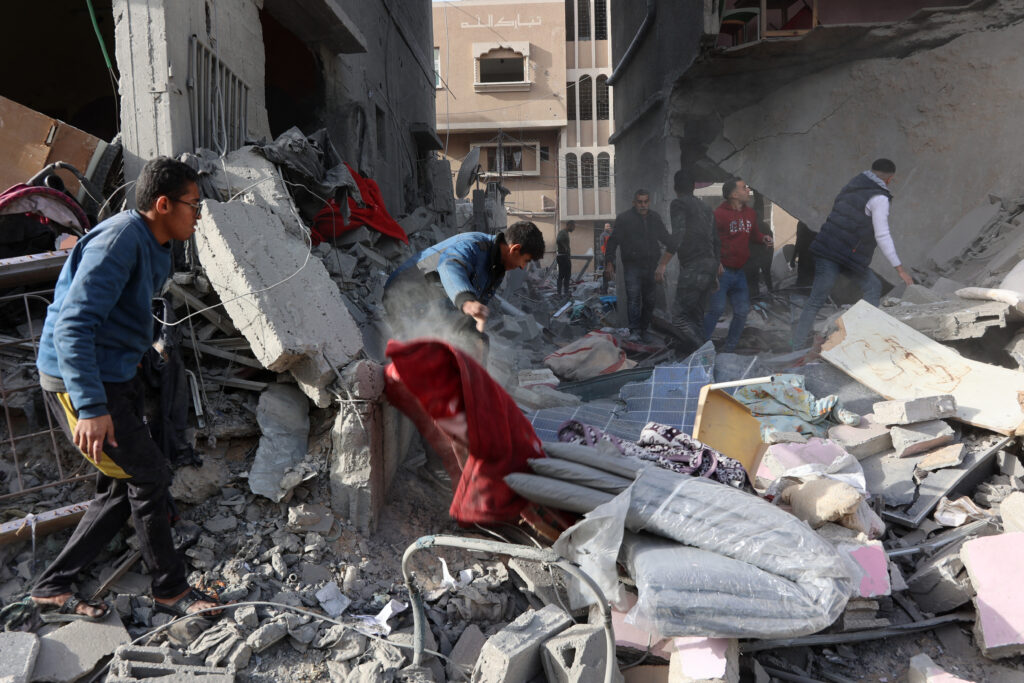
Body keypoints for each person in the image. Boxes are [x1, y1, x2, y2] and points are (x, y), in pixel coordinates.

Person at [31, 157, 222, 622]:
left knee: (123, 483)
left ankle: (52, 586)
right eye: (194, 204)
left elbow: (123, 311)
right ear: (162, 204)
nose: (199, 214)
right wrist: (92, 406)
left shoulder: (156, 241)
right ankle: (171, 590)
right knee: (149, 475)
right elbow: (72, 326)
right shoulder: (119, 241)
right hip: (81, 381)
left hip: (115, 372)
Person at [792, 158, 914, 348]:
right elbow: (882, 234)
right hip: (844, 255)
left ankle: (797, 346)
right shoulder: (879, 198)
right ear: (890, 179)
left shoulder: (852, 186)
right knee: (872, 287)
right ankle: (866, 339)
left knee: (816, 299)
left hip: (830, 250)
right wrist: (899, 269)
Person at [384, 221, 545, 354]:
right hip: (404, 299)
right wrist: (467, 302)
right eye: (526, 260)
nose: (523, 267)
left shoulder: (497, 270)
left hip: (438, 305)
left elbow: (472, 313)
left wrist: (474, 333)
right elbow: (450, 266)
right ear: (515, 249)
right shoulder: (473, 245)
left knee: (478, 343)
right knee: (435, 355)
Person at [703, 178, 772, 352]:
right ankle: (700, 346)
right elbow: (708, 240)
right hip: (722, 272)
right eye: (743, 188)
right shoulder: (719, 215)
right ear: (733, 194)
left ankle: (730, 348)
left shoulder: (750, 213)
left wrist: (763, 238)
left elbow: (753, 234)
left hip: (739, 272)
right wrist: (715, 262)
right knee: (716, 310)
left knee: (742, 311)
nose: (747, 190)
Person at [605, 189, 676, 342]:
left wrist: (664, 262)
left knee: (650, 300)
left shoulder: (654, 218)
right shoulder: (625, 219)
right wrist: (609, 262)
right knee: (633, 298)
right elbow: (613, 241)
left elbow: (667, 239)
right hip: (632, 265)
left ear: (649, 202)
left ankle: (644, 329)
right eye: (640, 202)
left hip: (651, 265)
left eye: (645, 202)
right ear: (634, 203)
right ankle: (635, 330)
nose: (643, 205)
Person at [668, 170, 720, 356]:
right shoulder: (706, 208)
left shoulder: (678, 204)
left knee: (679, 317)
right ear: (693, 187)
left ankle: (705, 352)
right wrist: (715, 269)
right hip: (709, 264)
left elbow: (678, 235)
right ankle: (694, 359)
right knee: (696, 316)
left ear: (675, 188)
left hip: (694, 266)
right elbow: (715, 239)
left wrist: (662, 263)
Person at [744, 189, 774, 295]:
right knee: (765, 276)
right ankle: (769, 293)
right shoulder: (762, 225)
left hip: (756, 256)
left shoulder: (751, 225)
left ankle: (755, 296)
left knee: (754, 279)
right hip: (761, 256)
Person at [555, 220, 574, 297]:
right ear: (569, 225)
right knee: (563, 275)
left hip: (563, 256)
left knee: (566, 275)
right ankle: (561, 292)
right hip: (563, 256)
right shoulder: (563, 232)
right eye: (573, 226)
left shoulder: (565, 233)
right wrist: (565, 247)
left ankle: (564, 292)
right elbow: (558, 240)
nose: (574, 228)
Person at [599, 222, 613, 294]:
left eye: (609, 226)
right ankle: (604, 290)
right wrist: (605, 255)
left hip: (611, 256)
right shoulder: (603, 235)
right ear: (604, 227)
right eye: (607, 226)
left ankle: (605, 288)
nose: (608, 227)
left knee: (610, 272)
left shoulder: (610, 235)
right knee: (606, 273)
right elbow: (602, 246)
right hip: (606, 257)